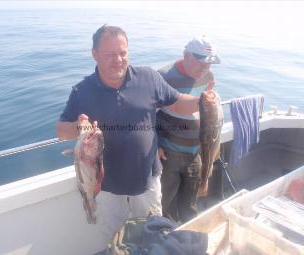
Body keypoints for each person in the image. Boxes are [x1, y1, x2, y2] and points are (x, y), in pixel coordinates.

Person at [56, 25, 199, 244]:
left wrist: (203, 102)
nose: (119, 60)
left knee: (154, 235)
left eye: (123, 53)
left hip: (147, 180)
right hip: (106, 187)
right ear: (94, 54)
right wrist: (78, 127)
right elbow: (61, 131)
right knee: (114, 240)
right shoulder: (82, 91)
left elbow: (177, 102)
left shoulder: (148, 78)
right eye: (110, 55)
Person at [156, 35, 221, 223]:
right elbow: (149, 114)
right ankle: (164, 239)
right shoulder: (163, 76)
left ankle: (189, 240)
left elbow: (206, 109)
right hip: (168, 154)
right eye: (201, 63)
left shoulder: (207, 75)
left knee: (190, 205)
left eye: (209, 64)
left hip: (196, 152)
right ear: (186, 55)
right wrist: (156, 145)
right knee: (164, 202)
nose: (205, 69)